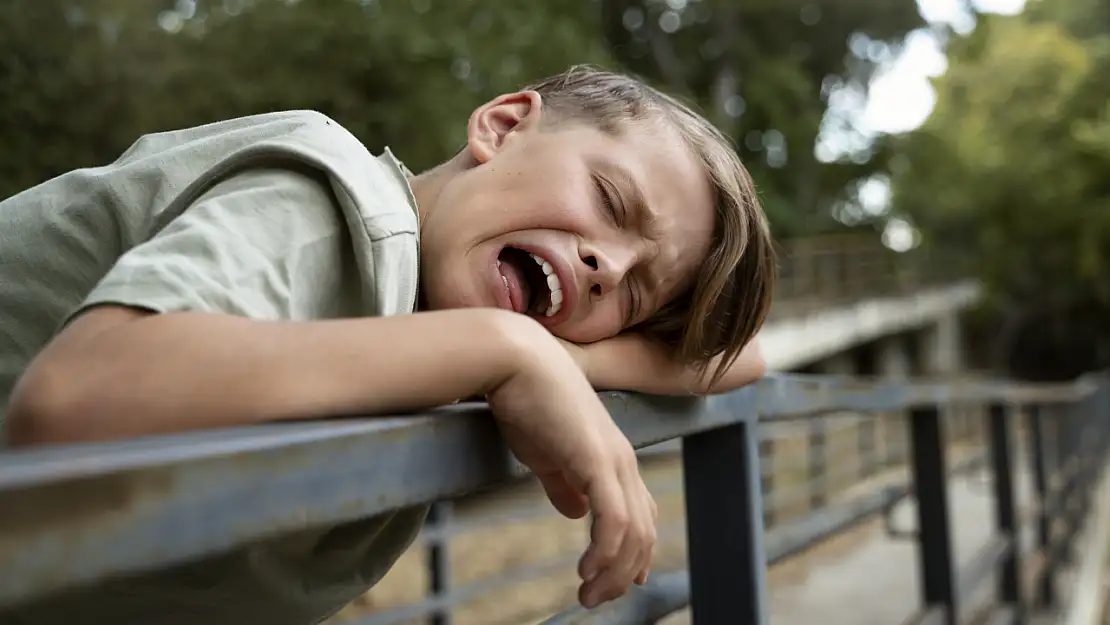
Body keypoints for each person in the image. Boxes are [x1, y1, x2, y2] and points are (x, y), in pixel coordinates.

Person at [0, 66, 774, 625]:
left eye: (636, 294)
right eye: (609, 201)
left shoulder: (423, 323)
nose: (610, 268)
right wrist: (504, 346)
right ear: (501, 127)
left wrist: (555, 360)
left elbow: (741, 358)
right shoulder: (342, 202)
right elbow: (72, 399)